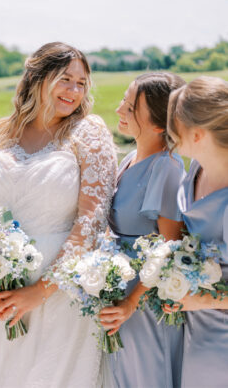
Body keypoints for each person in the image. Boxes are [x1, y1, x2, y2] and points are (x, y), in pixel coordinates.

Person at [0, 42, 117, 387]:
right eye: (65, 79)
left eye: (81, 83)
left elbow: (90, 222)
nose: (74, 91)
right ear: (37, 78)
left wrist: (40, 291)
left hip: (62, 293)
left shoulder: (88, 133)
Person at [99, 72, 186, 387]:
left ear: (160, 124)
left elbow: (170, 244)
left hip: (146, 301)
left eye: (131, 106)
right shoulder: (131, 159)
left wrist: (131, 302)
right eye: (124, 99)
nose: (120, 110)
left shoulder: (167, 168)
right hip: (120, 291)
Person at [166, 76, 228, 388]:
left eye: (173, 125)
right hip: (192, 333)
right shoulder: (196, 168)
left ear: (198, 134)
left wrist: (198, 300)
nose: (169, 133)